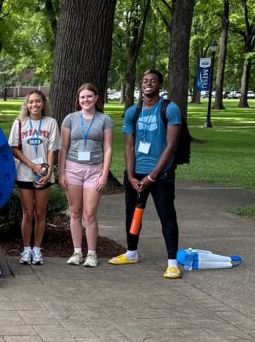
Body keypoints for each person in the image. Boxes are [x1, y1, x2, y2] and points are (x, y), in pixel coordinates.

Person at [109, 69, 183, 279]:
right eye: (144, 81)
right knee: (132, 214)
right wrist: (131, 176)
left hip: (161, 175)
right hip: (136, 173)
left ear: (159, 85)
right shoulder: (133, 111)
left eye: (152, 81)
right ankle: (131, 253)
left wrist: (152, 176)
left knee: (167, 216)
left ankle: (172, 263)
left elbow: (171, 146)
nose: (148, 84)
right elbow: (129, 146)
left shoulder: (170, 109)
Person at [58, 82, 113, 268]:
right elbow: (63, 148)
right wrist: (62, 172)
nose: (86, 100)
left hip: (94, 170)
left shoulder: (105, 120)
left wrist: (104, 174)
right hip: (73, 169)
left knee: (90, 214)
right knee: (75, 212)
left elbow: (108, 148)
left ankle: (91, 253)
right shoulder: (70, 119)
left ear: (96, 98)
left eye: (89, 96)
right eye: (82, 97)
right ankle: (76, 252)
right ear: (78, 100)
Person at [9, 88, 60, 265]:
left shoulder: (51, 122)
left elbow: (52, 149)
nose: (34, 104)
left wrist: (48, 171)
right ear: (26, 104)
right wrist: (32, 165)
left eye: (38, 101)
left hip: (43, 175)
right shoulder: (19, 123)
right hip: (25, 173)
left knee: (40, 213)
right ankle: (26, 249)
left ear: (43, 103)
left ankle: (37, 249)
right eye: (31, 102)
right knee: (27, 213)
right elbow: (14, 148)